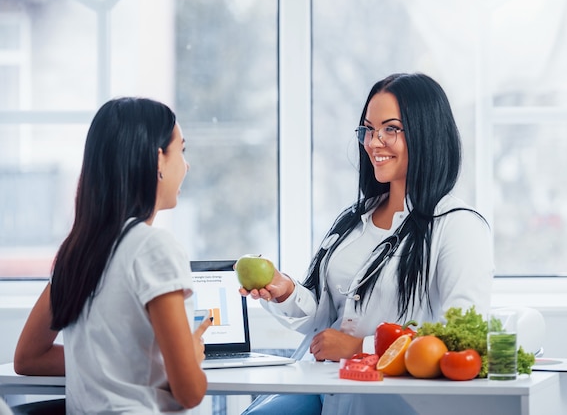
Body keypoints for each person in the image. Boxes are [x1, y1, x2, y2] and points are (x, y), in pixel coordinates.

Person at [240, 73, 494, 415]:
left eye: (390, 129)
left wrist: (361, 347)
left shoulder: (458, 226)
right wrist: (285, 291)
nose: (374, 143)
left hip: (398, 400)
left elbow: (460, 339)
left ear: (427, 133)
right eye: (368, 130)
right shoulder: (353, 221)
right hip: (328, 389)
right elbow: (325, 322)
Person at [13, 97, 212, 414]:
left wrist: (113, 364)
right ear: (159, 160)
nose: (186, 165)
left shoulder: (78, 252)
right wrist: (190, 355)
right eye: (181, 151)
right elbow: (189, 392)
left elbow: (28, 358)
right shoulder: (154, 248)